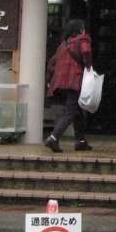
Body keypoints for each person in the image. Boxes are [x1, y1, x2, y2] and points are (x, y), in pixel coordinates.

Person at [45, 20, 93, 152]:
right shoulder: (82, 39)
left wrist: (49, 81)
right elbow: (86, 51)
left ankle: (81, 141)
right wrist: (88, 67)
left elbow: (51, 64)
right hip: (74, 81)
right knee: (71, 111)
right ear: (81, 29)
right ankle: (53, 138)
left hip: (60, 83)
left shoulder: (63, 44)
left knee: (77, 111)